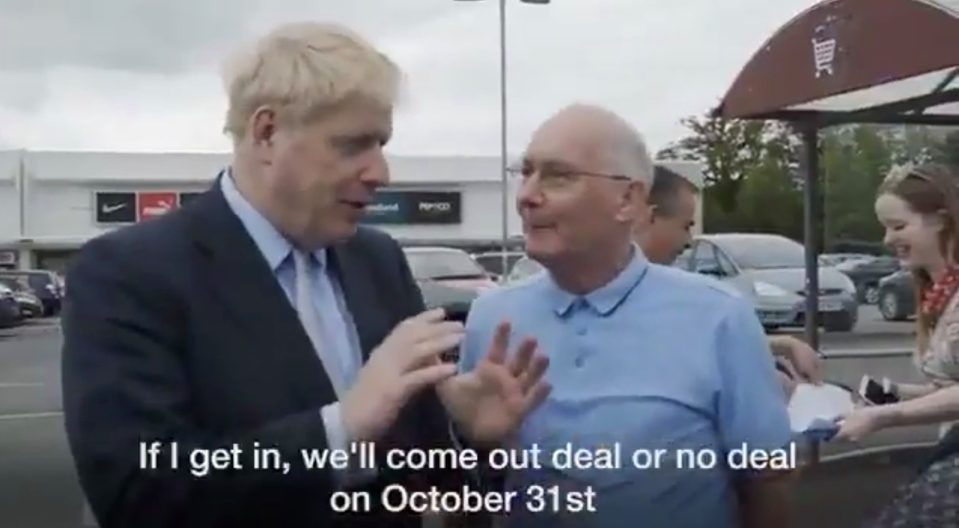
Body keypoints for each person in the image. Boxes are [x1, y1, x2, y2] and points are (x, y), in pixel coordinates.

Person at [61, 22, 549, 528]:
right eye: (353, 144)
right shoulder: (130, 274)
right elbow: (138, 492)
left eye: (381, 144)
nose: (381, 172)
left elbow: (415, 467)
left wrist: (465, 436)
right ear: (267, 132)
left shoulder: (378, 260)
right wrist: (341, 430)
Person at [459, 104, 795, 527]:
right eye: (525, 172)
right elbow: (468, 493)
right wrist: (479, 452)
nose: (527, 195)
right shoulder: (492, 319)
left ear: (628, 200)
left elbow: (767, 482)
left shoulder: (719, 317)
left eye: (558, 175)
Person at [832, 163, 959, 527]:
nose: (887, 240)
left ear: (941, 220)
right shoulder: (936, 293)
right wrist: (894, 393)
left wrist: (884, 415)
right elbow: (949, 391)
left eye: (898, 226)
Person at [634, 164, 824, 395]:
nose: (688, 242)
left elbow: (693, 339)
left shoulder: (650, 291)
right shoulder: (619, 293)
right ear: (650, 217)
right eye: (685, 226)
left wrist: (781, 345)